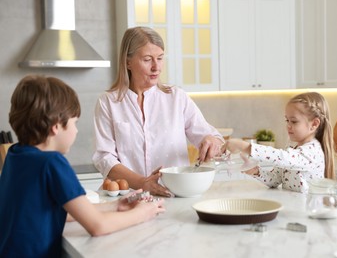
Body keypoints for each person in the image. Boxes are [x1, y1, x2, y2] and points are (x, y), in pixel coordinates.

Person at [0, 75, 165, 257]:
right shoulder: (52, 163)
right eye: (74, 123)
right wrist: (143, 213)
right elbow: (98, 226)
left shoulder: (15, 155)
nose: (76, 130)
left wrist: (115, 206)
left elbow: (58, 212)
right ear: (56, 126)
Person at [93, 26, 224, 197]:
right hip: (129, 200)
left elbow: (214, 139)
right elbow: (104, 158)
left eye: (160, 58)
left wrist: (211, 141)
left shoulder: (177, 98)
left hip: (175, 197)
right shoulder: (108, 102)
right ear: (128, 62)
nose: (156, 67)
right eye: (147, 59)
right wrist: (143, 183)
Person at [224, 92, 335, 193]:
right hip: (293, 208)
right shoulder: (293, 147)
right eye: (287, 120)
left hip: (308, 212)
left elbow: (283, 158)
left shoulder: (313, 151)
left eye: (294, 121)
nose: (288, 125)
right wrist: (256, 172)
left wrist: (243, 146)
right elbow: (275, 180)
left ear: (314, 124)